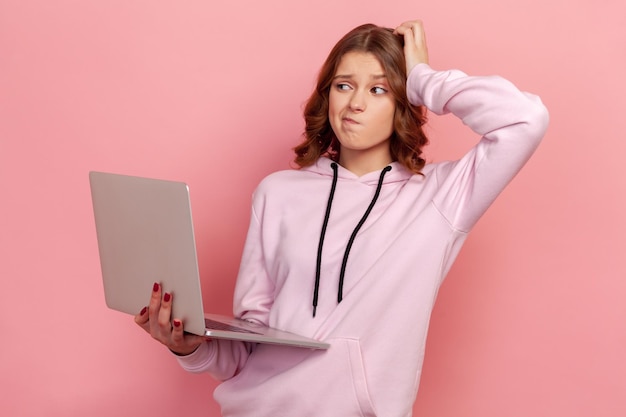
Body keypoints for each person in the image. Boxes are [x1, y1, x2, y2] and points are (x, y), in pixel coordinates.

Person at [135, 20, 549, 417]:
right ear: (327, 94)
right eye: (344, 85)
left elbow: (525, 119)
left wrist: (424, 78)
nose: (355, 103)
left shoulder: (441, 197)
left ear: (404, 101)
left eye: (380, 89)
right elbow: (250, 344)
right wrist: (190, 346)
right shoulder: (277, 193)